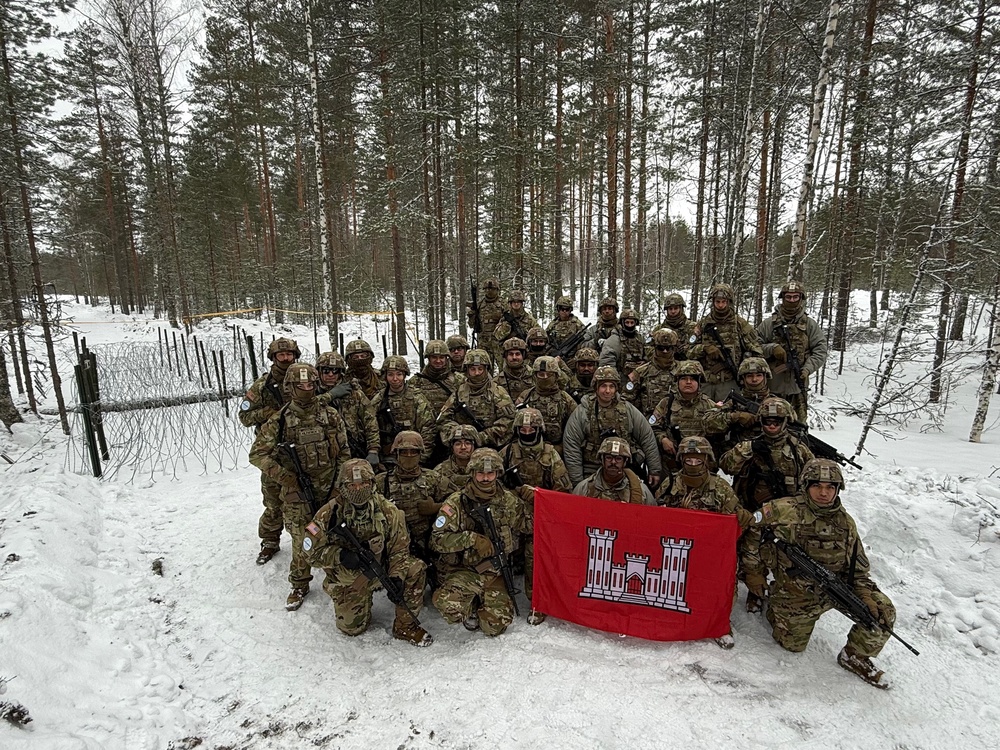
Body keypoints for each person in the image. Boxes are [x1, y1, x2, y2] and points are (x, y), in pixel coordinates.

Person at [756, 459, 896, 689]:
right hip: (795, 592)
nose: (823, 493)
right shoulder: (782, 509)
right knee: (792, 646)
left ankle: (854, 656)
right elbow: (749, 532)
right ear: (806, 485)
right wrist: (754, 573)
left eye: (830, 487)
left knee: (881, 613)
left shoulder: (845, 523)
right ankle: (775, 609)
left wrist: (865, 596)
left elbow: (858, 569)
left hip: (835, 587)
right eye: (817, 486)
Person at [249, 363, 349, 611]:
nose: (306, 389)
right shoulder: (280, 420)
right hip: (296, 492)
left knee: (335, 532)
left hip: (329, 487)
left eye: (309, 385)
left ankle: (337, 576)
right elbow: (258, 455)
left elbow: (344, 451)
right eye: (300, 385)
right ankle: (299, 583)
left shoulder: (330, 415)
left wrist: (340, 484)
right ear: (290, 388)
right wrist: (285, 477)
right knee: (301, 539)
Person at [303, 459, 432, 646]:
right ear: (343, 486)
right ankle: (348, 595)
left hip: (381, 566)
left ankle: (405, 626)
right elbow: (309, 552)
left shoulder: (389, 511)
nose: (358, 489)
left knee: (415, 569)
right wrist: (339, 555)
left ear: (372, 484)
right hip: (350, 576)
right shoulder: (328, 514)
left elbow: (399, 548)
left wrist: (396, 576)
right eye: (352, 485)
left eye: (364, 483)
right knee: (352, 627)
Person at [656, 436, 753, 649]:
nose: (692, 465)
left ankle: (720, 624)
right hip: (676, 551)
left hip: (708, 555)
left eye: (698, 460)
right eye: (688, 460)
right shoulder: (670, 483)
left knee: (723, 583)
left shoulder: (720, 489)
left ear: (706, 460)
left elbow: (737, 523)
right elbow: (656, 518)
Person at [719, 397, 814, 614]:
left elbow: (813, 485)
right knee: (750, 558)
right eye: (767, 421)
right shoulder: (750, 445)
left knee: (787, 560)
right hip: (751, 512)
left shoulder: (798, 450)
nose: (771, 426)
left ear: (785, 422)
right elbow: (726, 465)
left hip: (786, 516)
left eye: (776, 421)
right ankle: (756, 590)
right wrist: (748, 448)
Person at [430, 448, 528, 636]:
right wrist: (471, 539)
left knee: (494, 627)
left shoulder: (508, 501)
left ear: (497, 474)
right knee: (450, 607)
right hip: (465, 571)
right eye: (480, 473)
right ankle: (471, 602)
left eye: (490, 473)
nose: (485, 478)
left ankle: (481, 600)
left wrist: (532, 497)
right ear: (473, 473)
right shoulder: (456, 503)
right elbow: (437, 540)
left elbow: (528, 524)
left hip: (495, 572)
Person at [499, 408, 571, 625]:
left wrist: (538, 495)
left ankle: (537, 601)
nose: (527, 431)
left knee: (534, 555)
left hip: (538, 515)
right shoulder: (508, 453)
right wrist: (513, 493)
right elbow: (491, 483)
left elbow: (563, 491)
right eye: (522, 428)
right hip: (511, 513)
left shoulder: (550, 454)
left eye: (531, 428)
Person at [239, 337, 300, 564]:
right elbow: (244, 416)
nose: (285, 359)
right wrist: (270, 412)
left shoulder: (304, 378)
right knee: (274, 501)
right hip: (272, 452)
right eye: (281, 355)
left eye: (289, 355)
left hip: (302, 450)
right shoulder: (261, 387)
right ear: (273, 358)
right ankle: (270, 541)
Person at [562, 366, 661, 488]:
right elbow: (572, 446)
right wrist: (577, 481)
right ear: (596, 388)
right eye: (603, 386)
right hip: (592, 468)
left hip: (624, 468)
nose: (607, 391)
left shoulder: (628, 410)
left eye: (611, 386)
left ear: (616, 389)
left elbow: (647, 438)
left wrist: (654, 470)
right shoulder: (583, 412)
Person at [374, 431, 450, 588]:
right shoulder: (382, 482)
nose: (409, 455)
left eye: (413, 451)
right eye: (404, 452)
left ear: (420, 453)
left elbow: (458, 503)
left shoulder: (432, 478)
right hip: (394, 547)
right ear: (396, 453)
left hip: (428, 545)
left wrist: (437, 508)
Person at [756, 280, 828, 423]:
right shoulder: (769, 324)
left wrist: (807, 369)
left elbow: (820, 350)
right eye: (788, 297)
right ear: (783, 298)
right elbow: (753, 347)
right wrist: (772, 349)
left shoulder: (809, 324)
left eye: (796, 297)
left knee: (798, 426)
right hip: (772, 387)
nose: (792, 300)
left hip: (797, 388)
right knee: (770, 424)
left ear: (801, 298)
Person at [688, 283, 763, 401]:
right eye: (718, 301)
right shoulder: (703, 324)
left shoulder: (740, 324)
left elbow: (756, 350)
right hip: (706, 383)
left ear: (729, 302)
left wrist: (746, 366)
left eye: (724, 302)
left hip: (730, 382)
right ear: (713, 302)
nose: (721, 305)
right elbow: (687, 351)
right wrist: (704, 348)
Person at [649, 360, 720, 473]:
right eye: (683, 378)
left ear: (699, 382)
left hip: (700, 462)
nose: (688, 382)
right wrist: (663, 439)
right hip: (671, 461)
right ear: (677, 382)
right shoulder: (666, 403)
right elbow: (652, 427)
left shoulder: (709, 405)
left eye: (692, 379)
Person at [438, 348, 515, 449]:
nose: (477, 373)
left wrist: (482, 437)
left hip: (490, 447)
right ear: (467, 370)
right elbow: (443, 420)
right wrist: (460, 433)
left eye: (480, 369)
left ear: (486, 369)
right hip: (462, 446)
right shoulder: (459, 393)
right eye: (473, 369)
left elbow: (508, 422)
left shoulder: (498, 392)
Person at [369, 355, 435, 468]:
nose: (395, 379)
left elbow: (428, 428)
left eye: (399, 374)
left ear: (404, 375)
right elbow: (370, 427)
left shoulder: (416, 397)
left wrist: (421, 458)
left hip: (414, 454)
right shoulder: (378, 400)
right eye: (390, 375)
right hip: (387, 456)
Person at [316, 351, 380, 466]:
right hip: (322, 454)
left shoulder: (354, 394)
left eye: (335, 371)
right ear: (319, 372)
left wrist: (373, 449)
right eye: (326, 371)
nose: (331, 375)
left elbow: (370, 422)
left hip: (353, 448)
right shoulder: (312, 392)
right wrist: (330, 395)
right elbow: (304, 409)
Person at [703, 356, 772, 455]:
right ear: (743, 379)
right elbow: (707, 422)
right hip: (737, 453)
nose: (754, 379)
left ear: (765, 377)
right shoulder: (734, 402)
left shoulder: (777, 403)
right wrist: (735, 416)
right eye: (749, 376)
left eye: (759, 375)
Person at [515, 356, 578, 454]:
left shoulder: (566, 399)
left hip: (558, 450)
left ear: (556, 376)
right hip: (529, 450)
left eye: (549, 374)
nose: (545, 378)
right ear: (535, 376)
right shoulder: (526, 396)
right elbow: (517, 427)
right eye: (541, 374)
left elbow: (574, 430)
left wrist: (560, 449)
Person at [572, 437, 655, 504]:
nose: (613, 462)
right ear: (602, 460)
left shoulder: (640, 491)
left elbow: (652, 518)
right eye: (609, 458)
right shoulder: (584, 488)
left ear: (625, 462)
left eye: (618, 459)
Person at [625, 328, 678, 418]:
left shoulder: (682, 371)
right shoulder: (641, 372)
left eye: (668, 348)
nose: (665, 351)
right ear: (655, 348)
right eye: (661, 348)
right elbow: (626, 400)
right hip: (647, 424)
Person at [598, 307, 647, 378]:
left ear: (635, 323)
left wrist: (643, 363)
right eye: (627, 322)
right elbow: (606, 365)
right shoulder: (614, 340)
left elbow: (649, 358)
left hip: (638, 379)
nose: (630, 325)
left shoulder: (640, 339)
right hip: (619, 379)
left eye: (632, 322)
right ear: (622, 323)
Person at [467, 277, 505, 363]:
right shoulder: (479, 304)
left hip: (499, 343)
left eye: (492, 289)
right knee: (484, 369)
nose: (489, 291)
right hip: (483, 344)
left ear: (497, 289)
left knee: (503, 369)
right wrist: (472, 315)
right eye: (487, 289)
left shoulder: (503, 304)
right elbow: (471, 325)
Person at [434, 424, 479, 494]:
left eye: (467, 443)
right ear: (452, 447)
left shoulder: (482, 470)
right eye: (458, 444)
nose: (463, 447)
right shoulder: (440, 471)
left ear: (474, 445)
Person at [658, 293, 697, 361]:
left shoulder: (693, 327)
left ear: (681, 309)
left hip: (688, 365)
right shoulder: (660, 329)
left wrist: (686, 350)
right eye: (670, 309)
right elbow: (648, 348)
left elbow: (700, 348)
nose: (673, 311)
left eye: (676, 308)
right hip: (665, 365)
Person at [495, 337, 533, 403]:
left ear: (523, 356)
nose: (514, 357)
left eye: (517, 354)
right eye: (511, 354)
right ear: (506, 356)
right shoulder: (497, 381)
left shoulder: (534, 377)